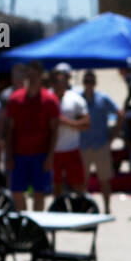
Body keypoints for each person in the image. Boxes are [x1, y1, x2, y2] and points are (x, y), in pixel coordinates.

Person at [4, 62, 60, 212]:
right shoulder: (15, 99)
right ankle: (23, 219)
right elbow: (9, 130)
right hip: (19, 154)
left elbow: (55, 130)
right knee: (16, 192)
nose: (32, 78)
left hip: (40, 154)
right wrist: (8, 156)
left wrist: (50, 156)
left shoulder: (50, 100)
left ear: (41, 76)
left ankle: (36, 224)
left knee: (39, 193)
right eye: (30, 75)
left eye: (35, 75)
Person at [78, 70, 120, 213]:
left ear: (95, 83)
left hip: (100, 144)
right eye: (86, 81)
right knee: (82, 181)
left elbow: (119, 113)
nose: (89, 84)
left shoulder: (103, 99)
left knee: (105, 180)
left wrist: (113, 136)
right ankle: (83, 208)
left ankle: (107, 208)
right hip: (83, 145)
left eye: (91, 81)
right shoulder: (77, 99)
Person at [50, 63, 90, 197]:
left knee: (78, 184)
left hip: (71, 149)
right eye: (56, 81)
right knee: (55, 185)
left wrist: (65, 122)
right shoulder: (47, 98)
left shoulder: (75, 99)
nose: (59, 84)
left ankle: (80, 208)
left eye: (62, 80)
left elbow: (86, 124)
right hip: (52, 151)